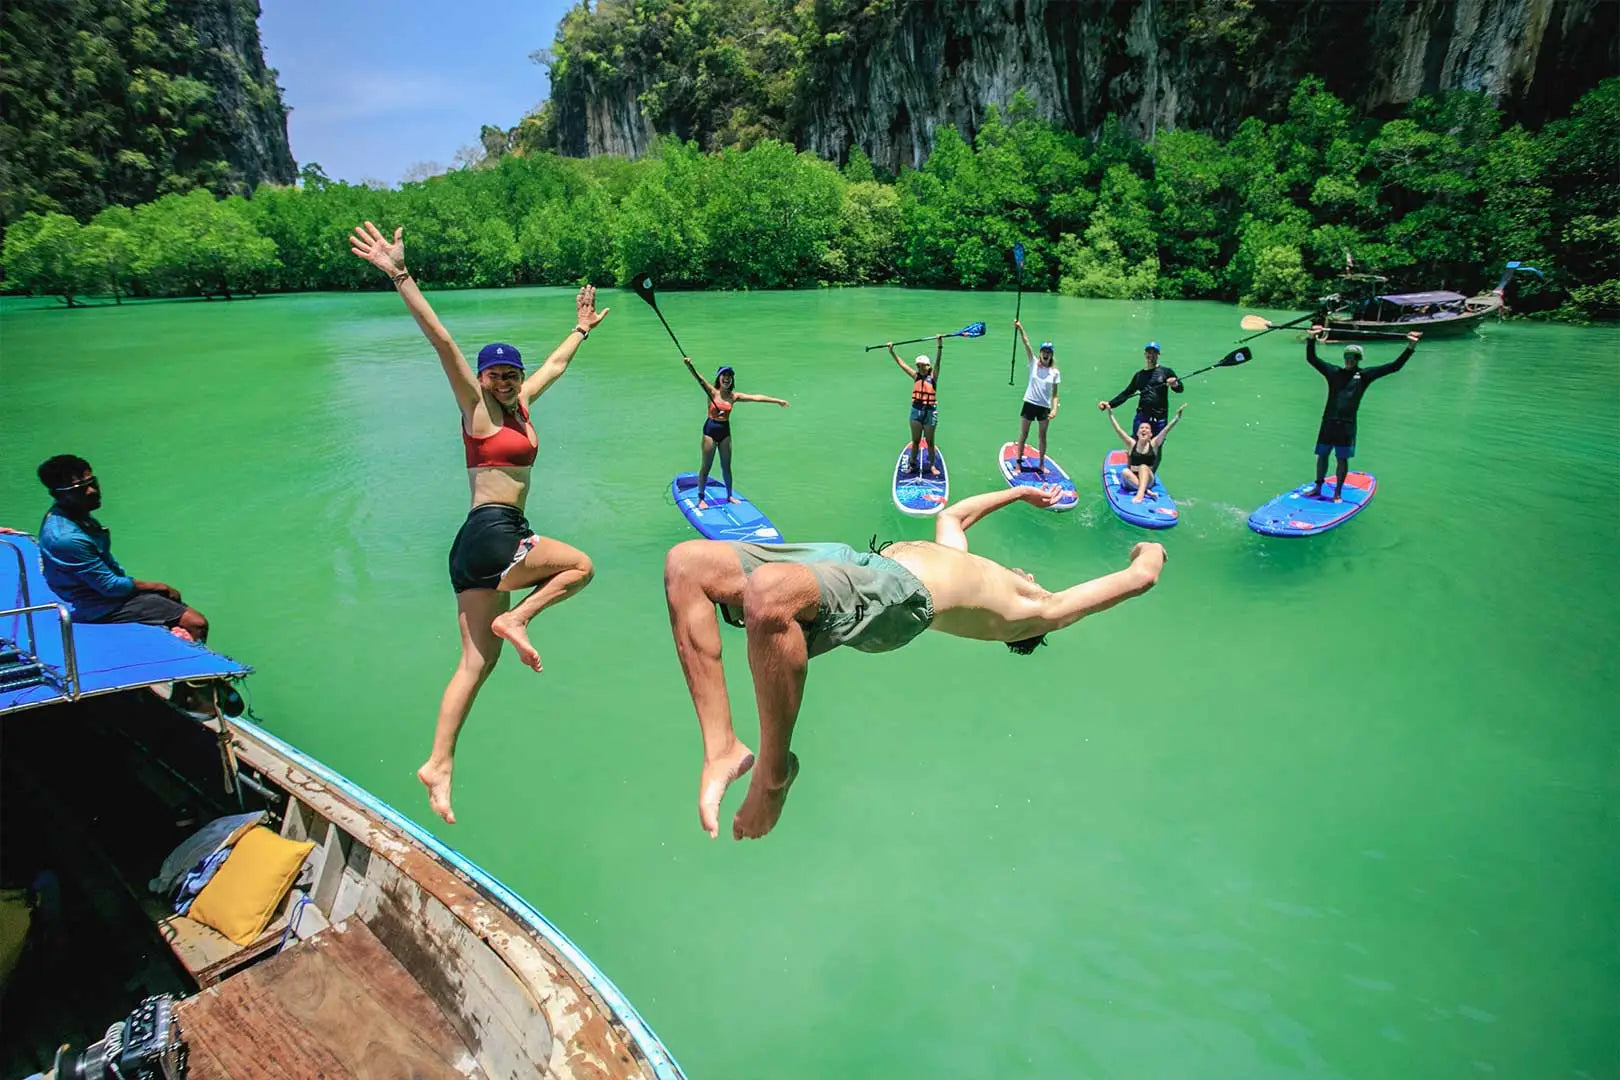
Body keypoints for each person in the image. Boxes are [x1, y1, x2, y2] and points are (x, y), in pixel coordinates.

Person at [662, 485, 1167, 841]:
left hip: (902, 598)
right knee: (687, 565)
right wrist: (1019, 493)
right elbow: (954, 517)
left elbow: (1137, 580)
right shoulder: (972, 563)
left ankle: (773, 775)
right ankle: (722, 747)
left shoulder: (1034, 611)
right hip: (857, 561)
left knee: (772, 595)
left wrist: (1151, 551)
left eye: (1033, 576)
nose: (1030, 571)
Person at [348, 221, 608, 825]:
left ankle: (438, 764)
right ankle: (519, 616)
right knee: (580, 567)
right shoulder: (478, 410)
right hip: (496, 531)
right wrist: (400, 274)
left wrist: (579, 329)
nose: (505, 378)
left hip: (469, 547)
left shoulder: (521, 406)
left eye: (510, 372)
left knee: (476, 662)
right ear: (483, 380)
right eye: (495, 373)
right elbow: (441, 340)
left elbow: (556, 368)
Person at [33, 456, 209, 643]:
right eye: (79, 488)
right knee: (195, 622)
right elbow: (110, 587)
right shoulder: (65, 537)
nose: (92, 490)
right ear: (57, 494)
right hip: (98, 605)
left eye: (92, 482)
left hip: (101, 593)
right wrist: (160, 586)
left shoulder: (77, 514)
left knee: (168, 601)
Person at [1304, 327, 1420, 501]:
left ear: (1359, 359)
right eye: (1348, 356)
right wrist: (1311, 338)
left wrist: (1410, 346)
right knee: (1322, 455)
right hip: (1328, 422)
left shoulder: (1365, 376)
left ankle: (1337, 493)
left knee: (1341, 460)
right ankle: (1318, 487)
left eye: (1354, 357)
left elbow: (1394, 367)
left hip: (1347, 425)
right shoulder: (1334, 372)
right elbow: (1311, 358)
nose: (1350, 360)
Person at [683, 358, 789, 509]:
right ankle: (701, 498)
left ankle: (729, 495)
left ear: (731, 380)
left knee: (726, 466)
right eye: (724, 375)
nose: (726, 378)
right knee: (706, 466)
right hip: (710, 431)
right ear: (719, 378)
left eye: (729, 376)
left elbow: (756, 398)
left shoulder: (734, 397)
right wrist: (689, 365)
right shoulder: (712, 392)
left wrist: (777, 401)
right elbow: (698, 378)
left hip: (725, 431)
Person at [885, 335, 944, 476]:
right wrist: (892, 351)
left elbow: (938, 362)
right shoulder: (915, 376)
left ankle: (932, 466)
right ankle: (912, 465)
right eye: (918, 365)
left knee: (930, 442)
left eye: (922, 365)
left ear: (928, 366)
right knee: (916, 441)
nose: (919, 367)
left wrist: (939, 345)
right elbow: (902, 364)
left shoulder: (933, 377)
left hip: (930, 412)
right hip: (916, 411)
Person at [1105, 402, 1186, 503]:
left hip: (1148, 480)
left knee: (1144, 467)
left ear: (1151, 434)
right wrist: (1110, 413)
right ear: (1138, 433)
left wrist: (1177, 417)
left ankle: (1140, 495)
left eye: (1147, 428)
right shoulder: (1131, 444)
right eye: (1141, 428)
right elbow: (1118, 429)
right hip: (1132, 481)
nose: (1144, 430)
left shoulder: (1154, 444)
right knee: (1125, 472)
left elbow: (1166, 430)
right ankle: (1146, 492)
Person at [1099, 342, 1182, 436]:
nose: (1151, 355)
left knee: (1156, 448)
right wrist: (1110, 404)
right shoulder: (1139, 376)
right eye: (1148, 352)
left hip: (1160, 419)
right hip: (1142, 418)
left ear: (1158, 354)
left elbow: (1180, 389)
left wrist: (1174, 384)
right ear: (1145, 354)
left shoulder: (1166, 372)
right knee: (1136, 446)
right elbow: (1127, 393)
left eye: (1154, 352)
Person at [1012, 321, 1061, 473]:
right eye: (1044, 351)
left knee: (1042, 437)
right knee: (1024, 434)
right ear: (1040, 353)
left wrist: (1054, 410)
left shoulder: (1055, 372)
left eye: (1049, 352)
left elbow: (1055, 395)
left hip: (1043, 407)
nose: (1046, 354)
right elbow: (1026, 344)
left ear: (1051, 354)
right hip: (1029, 403)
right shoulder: (1033, 363)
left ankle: (1041, 464)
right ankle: (1018, 463)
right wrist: (1020, 328)